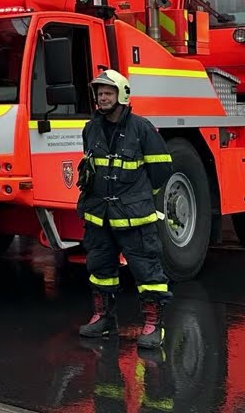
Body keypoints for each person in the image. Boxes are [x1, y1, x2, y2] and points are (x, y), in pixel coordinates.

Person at [77, 69, 173, 349]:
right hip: (99, 216)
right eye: (99, 93)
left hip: (134, 218)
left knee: (147, 272)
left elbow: (161, 169)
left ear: (122, 95)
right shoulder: (91, 128)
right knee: (99, 267)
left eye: (108, 93)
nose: (102, 98)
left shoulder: (142, 128)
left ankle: (154, 325)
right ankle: (103, 319)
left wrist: (140, 197)